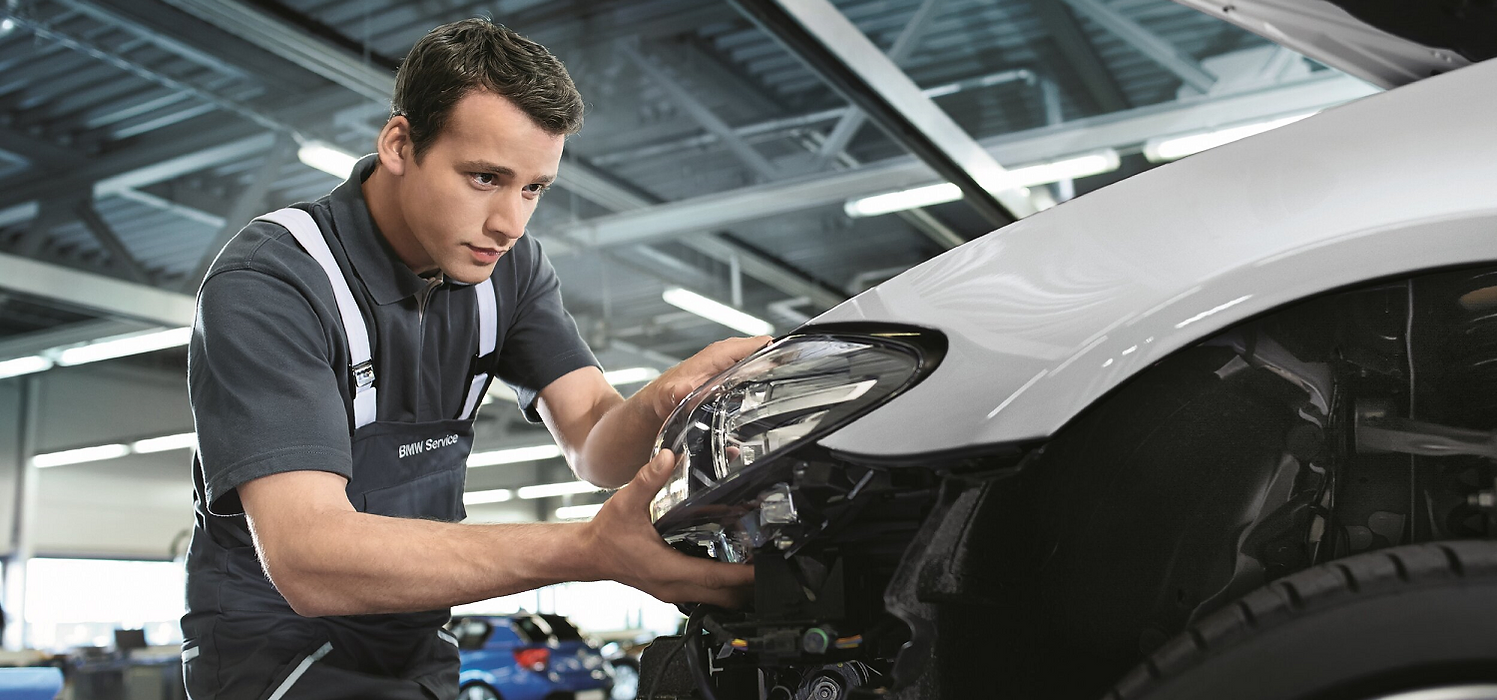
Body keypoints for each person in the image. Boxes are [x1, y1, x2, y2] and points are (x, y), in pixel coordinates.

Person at [181, 18, 764, 700]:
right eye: (485, 177)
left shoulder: (509, 272)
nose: (511, 223)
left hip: (418, 638)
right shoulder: (272, 282)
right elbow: (310, 559)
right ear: (400, 144)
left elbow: (596, 448)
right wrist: (587, 551)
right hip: (279, 660)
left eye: (533, 188)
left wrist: (664, 399)